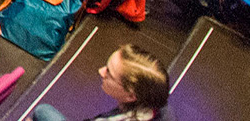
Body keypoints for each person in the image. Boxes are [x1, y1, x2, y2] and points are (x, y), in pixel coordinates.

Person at [28, 46, 169, 121]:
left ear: (131, 96)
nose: (101, 71)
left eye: (109, 73)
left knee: (42, 111)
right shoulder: (159, 107)